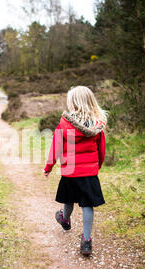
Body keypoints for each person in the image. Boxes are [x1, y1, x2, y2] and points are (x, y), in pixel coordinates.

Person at [43, 86, 107, 256]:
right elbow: (102, 150)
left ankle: (64, 219)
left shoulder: (64, 125)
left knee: (68, 199)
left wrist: (48, 167)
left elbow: (55, 150)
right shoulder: (97, 125)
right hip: (89, 173)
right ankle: (86, 241)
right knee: (87, 205)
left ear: (72, 103)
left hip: (70, 172)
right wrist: (96, 166)